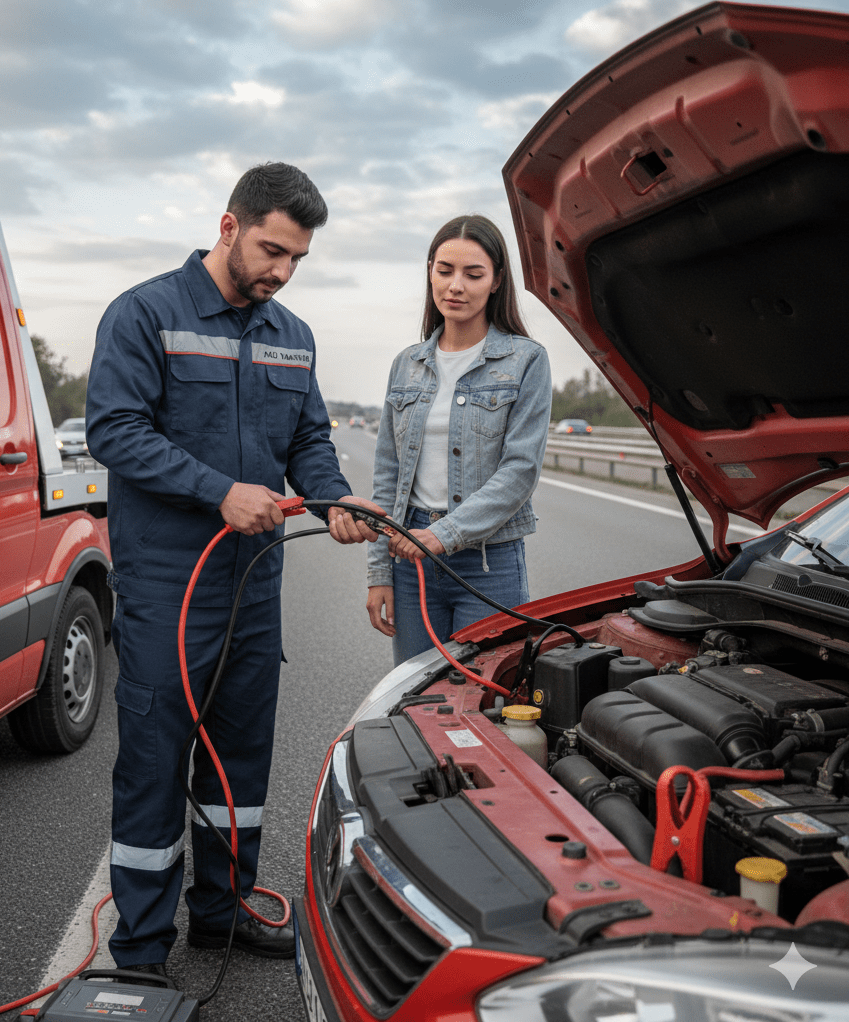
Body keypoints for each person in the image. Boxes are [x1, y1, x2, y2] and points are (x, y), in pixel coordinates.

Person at [86, 162, 382, 977]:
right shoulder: (145, 313)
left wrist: (332, 500)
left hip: (253, 588)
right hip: (168, 585)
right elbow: (114, 429)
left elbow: (309, 442)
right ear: (228, 226)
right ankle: (141, 949)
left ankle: (220, 917)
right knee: (154, 762)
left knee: (238, 762)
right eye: (271, 250)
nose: (282, 272)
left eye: (297, 259)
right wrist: (216, 491)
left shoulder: (292, 334)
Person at [366, 214, 552, 665]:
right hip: (410, 556)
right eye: (445, 270)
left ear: (496, 281)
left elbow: (520, 471)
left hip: (488, 562)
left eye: (473, 274)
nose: (456, 286)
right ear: (430, 271)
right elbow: (388, 475)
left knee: (482, 699)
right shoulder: (405, 364)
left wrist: (443, 535)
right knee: (414, 698)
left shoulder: (526, 361)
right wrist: (378, 571)